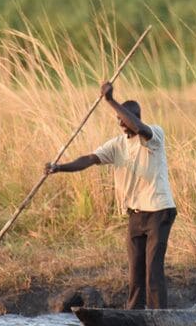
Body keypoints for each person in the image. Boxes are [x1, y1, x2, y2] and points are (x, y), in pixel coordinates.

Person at [45, 82, 177, 309]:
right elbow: (89, 159)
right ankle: (133, 314)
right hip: (136, 213)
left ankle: (159, 316)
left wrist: (110, 101)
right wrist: (59, 168)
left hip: (159, 211)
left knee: (153, 268)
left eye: (125, 121)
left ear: (134, 119)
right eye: (119, 121)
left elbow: (140, 128)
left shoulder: (154, 135)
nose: (122, 126)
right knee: (136, 269)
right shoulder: (117, 145)